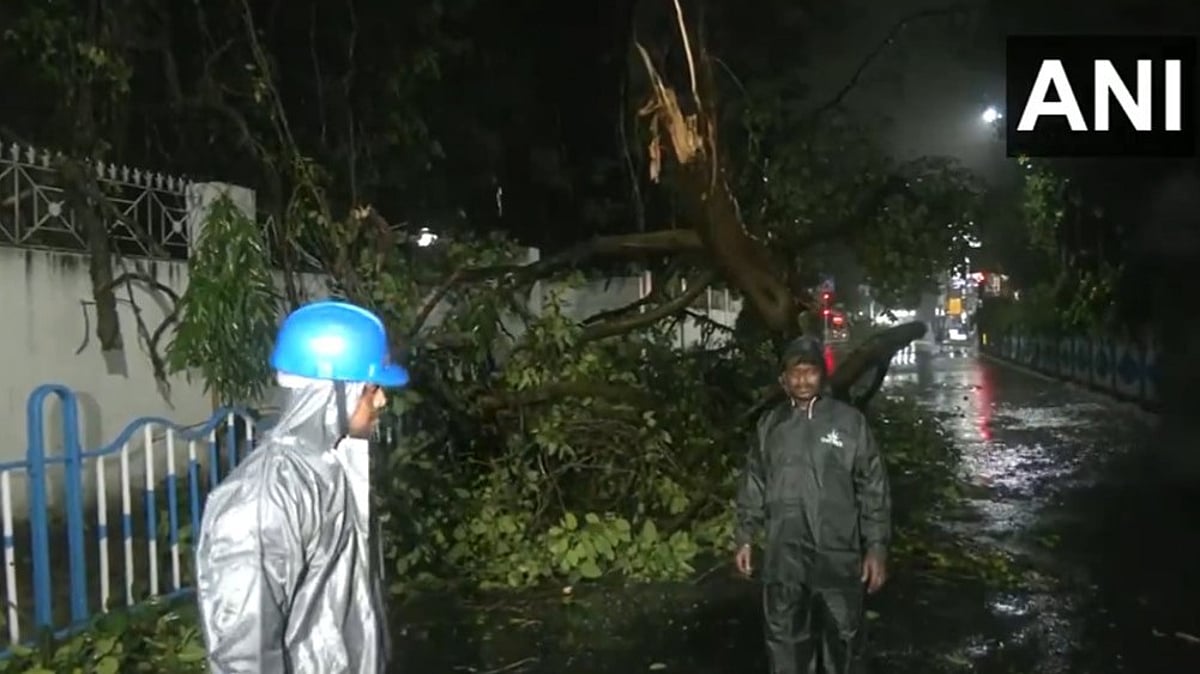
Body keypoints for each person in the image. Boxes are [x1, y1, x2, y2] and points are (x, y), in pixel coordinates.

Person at [195, 300, 409, 674]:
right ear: (333, 395)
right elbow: (244, 654)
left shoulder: (333, 467)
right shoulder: (264, 498)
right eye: (371, 388)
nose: (381, 400)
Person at [734, 336, 892, 674]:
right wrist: (745, 536)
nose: (803, 380)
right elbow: (754, 481)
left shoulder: (849, 423)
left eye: (811, 372)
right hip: (784, 553)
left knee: (844, 639)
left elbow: (873, 486)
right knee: (785, 637)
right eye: (795, 372)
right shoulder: (770, 425)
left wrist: (876, 548)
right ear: (783, 379)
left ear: (823, 375)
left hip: (837, 551)